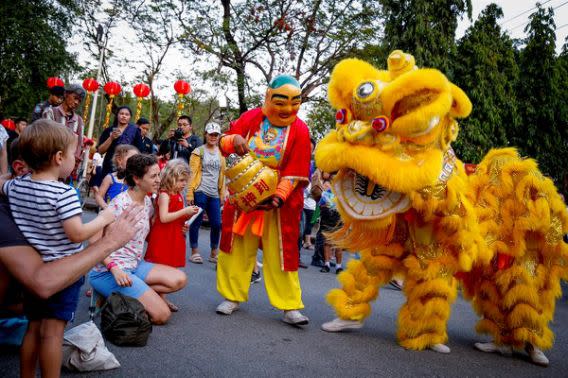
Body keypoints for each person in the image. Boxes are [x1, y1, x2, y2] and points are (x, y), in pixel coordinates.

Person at [0, 120, 116, 378]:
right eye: (75, 155)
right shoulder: (63, 193)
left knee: (32, 328)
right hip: (63, 272)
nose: (77, 160)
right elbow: (76, 233)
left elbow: (2, 183)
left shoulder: (16, 186)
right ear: (58, 157)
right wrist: (104, 218)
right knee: (52, 334)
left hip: (34, 269)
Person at [215, 75, 311, 326]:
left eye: (294, 103)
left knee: (281, 252)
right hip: (245, 191)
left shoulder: (300, 129)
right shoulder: (251, 118)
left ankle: (290, 305)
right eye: (281, 102)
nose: (288, 109)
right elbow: (225, 142)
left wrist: (278, 196)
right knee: (237, 245)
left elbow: (297, 169)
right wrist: (234, 140)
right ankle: (232, 296)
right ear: (268, 97)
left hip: (279, 199)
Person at [89, 154, 187, 324]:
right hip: (109, 272)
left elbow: (150, 231)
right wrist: (114, 268)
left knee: (179, 279)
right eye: (153, 176)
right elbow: (93, 240)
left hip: (135, 265)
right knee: (162, 315)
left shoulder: (148, 202)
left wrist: (180, 226)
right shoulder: (118, 205)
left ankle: (129, 294)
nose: (159, 180)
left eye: (159, 175)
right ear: (137, 179)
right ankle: (117, 293)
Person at [145, 159, 199, 310]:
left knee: (168, 267)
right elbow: (164, 217)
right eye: (181, 180)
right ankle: (155, 297)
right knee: (160, 267)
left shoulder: (179, 195)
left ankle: (161, 298)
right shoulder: (164, 195)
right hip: (162, 236)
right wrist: (184, 211)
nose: (183, 184)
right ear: (171, 177)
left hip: (174, 235)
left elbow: (175, 216)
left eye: (185, 181)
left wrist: (185, 220)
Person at [187, 122, 225, 264]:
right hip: (200, 191)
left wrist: (222, 193)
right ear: (206, 135)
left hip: (215, 193)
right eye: (211, 134)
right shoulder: (198, 151)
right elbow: (192, 173)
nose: (213, 137)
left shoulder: (222, 154)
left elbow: (223, 174)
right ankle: (194, 252)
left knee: (216, 223)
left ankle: (214, 252)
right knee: (196, 221)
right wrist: (190, 193)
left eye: (216, 135)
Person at [97, 106, 143, 179]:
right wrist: (111, 138)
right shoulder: (108, 130)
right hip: (109, 166)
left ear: (130, 117)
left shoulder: (135, 131)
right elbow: (100, 151)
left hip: (128, 168)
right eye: (121, 113)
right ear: (117, 115)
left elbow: (139, 151)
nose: (124, 116)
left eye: (127, 114)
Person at [43, 84, 86, 162]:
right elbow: (47, 137)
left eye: (79, 101)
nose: (76, 102)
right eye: (75, 98)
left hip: (68, 165)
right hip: (50, 160)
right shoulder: (50, 112)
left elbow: (80, 144)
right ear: (66, 94)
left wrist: (74, 159)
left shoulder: (79, 121)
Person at [95, 144, 139, 209]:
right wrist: (106, 207)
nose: (136, 163)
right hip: (110, 216)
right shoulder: (111, 178)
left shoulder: (136, 180)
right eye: (132, 159)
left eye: (137, 160)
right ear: (119, 160)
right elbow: (99, 196)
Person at [316, 172, 344, 274]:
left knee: (338, 244)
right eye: (333, 180)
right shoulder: (326, 190)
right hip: (327, 218)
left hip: (339, 219)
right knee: (327, 242)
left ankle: (338, 266)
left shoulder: (343, 192)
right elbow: (320, 205)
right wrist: (325, 205)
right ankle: (326, 264)